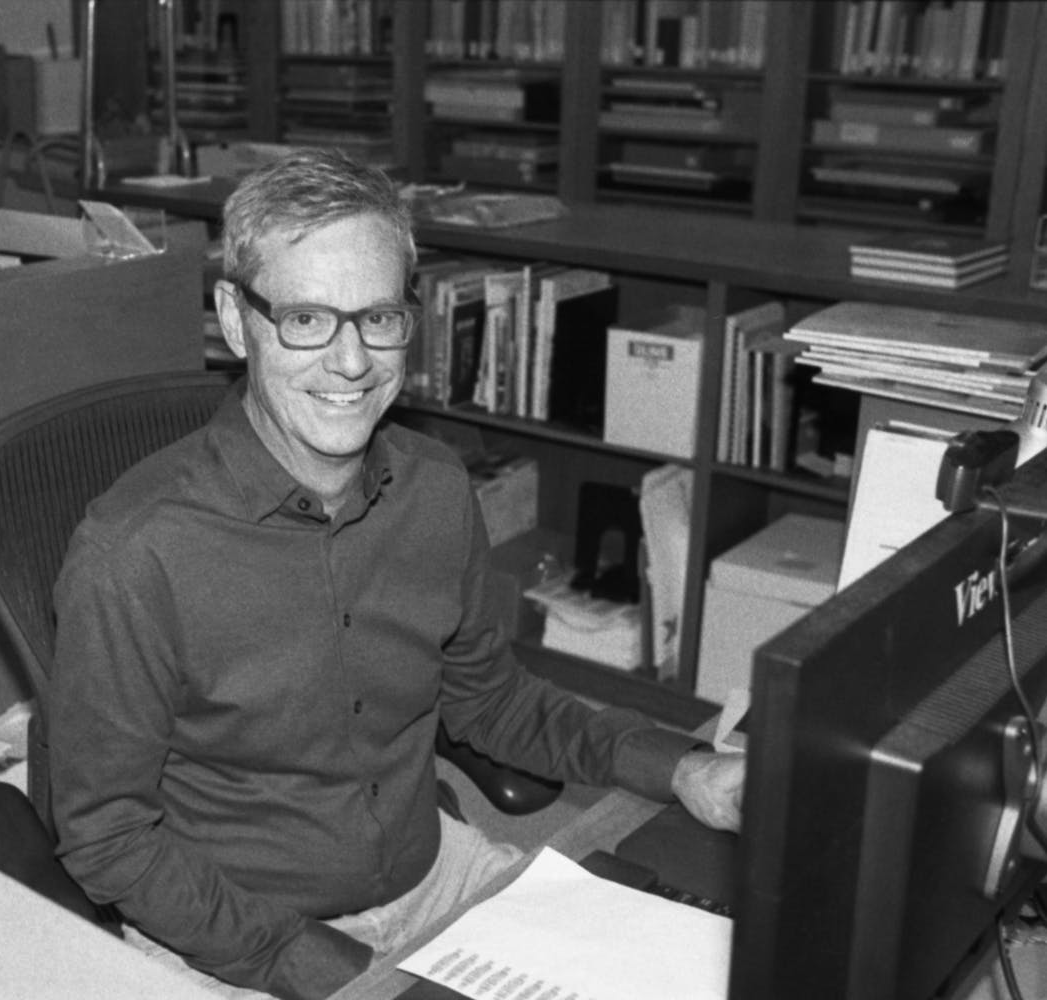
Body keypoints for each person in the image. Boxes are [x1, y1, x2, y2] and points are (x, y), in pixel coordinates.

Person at [47, 148, 744, 1000]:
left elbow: (492, 700)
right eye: (306, 319)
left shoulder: (437, 488)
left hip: (432, 874)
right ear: (235, 319)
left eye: (378, 318)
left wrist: (680, 768)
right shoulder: (134, 554)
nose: (350, 362)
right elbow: (108, 836)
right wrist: (327, 971)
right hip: (235, 930)